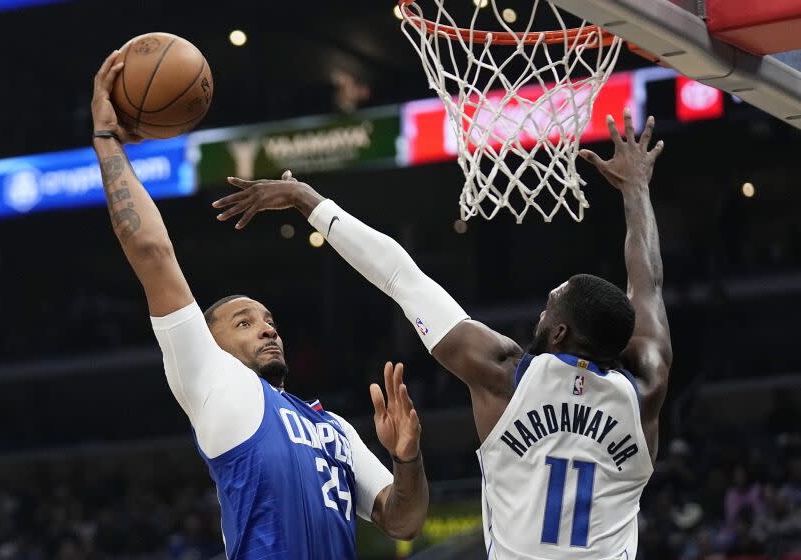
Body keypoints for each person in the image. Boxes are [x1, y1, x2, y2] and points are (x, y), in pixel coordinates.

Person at [212, 108, 672, 558]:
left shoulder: (503, 376)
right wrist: (636, 190)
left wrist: (305, 200)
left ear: (559, 332)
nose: (540, 314)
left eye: (548, 307)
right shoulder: (647, 387)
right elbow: (647, 282)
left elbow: (400, 276)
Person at [90, 51, 428, 560]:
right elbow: (152, 252)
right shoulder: (208, 378)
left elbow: (404, 521)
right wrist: (107, 141)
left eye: (269, 321)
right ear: (212, 344)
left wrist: (408, 458)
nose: (267, 329)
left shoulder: (332, 427)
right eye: (244, 322)